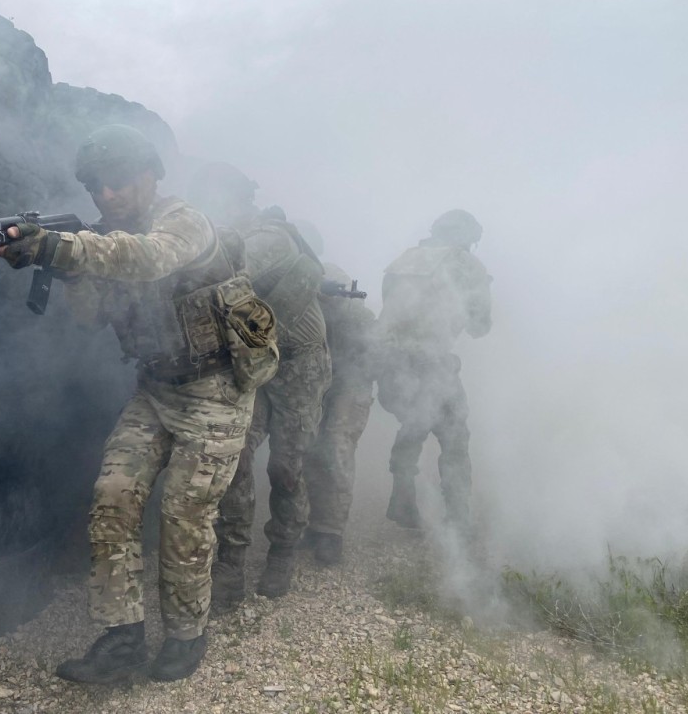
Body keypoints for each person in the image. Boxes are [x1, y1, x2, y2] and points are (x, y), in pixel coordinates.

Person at [0, 125, 273, 684]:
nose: (107, 195)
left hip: (216, 390)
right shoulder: (103, 238)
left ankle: (188, 634)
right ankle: (121, 638)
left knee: (184, 515)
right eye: (96, 186)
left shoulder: (183, 220)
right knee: (112, 498)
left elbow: (149, 258)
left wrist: (58, 246)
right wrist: (71, 271)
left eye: (118, 182)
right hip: (156, 390)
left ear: (150, 176)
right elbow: (92, 317)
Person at [188, 162, 331, 603]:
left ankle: (283, 549)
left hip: (298, 366)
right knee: (237, 460)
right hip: (252, 363)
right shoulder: (224, 235)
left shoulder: (269, 235)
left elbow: (222, 273)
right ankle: (231, 563)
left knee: (286, 467)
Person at [376, 209, 492, 531]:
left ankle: (403, 499)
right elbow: (481, 326)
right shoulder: (465, 264)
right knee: (455, 437)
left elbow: (389, 309)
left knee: (414, 425)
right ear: (466, 238)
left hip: (393, 361)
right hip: (432, 361)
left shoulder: (404, 260)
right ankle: (458, 519)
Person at [303, 261, 376, 564]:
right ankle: (314, 524)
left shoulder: (360, 317)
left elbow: (376, 356)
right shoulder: (306, 307)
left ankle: (331, 532)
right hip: (319, 379)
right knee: (309, 448)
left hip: (352, 382)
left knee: (336, 446)